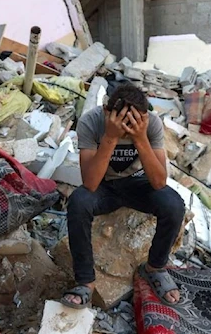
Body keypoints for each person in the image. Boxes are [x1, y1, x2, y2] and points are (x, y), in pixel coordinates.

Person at [61, 84, 185, 309]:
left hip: (139, 185)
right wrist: (110, 137)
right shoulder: (91, 122)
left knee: (174, 205)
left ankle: (155, 268)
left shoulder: (152, 124)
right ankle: (85, 282)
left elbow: (159, 182)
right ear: (107, 112)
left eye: (135, 122)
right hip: (104, 186)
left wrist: (140, 138)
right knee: (79, 202)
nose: (128, 128)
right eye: (123, 122)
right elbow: (89, 183)